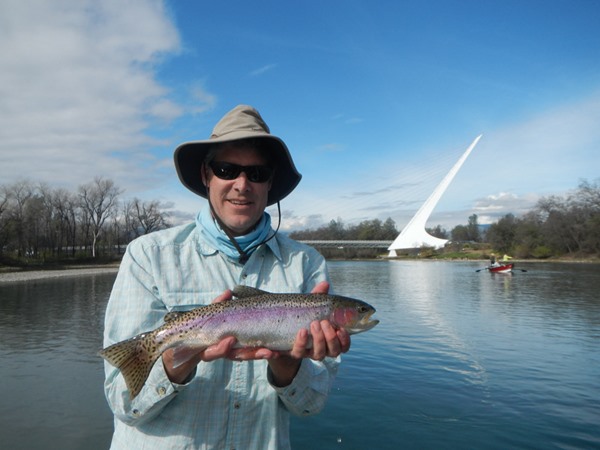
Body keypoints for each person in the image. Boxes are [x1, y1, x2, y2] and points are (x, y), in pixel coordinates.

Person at [102, 105, 351, 449]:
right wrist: (177, 360)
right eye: (226, 169)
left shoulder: (307, 265)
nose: (242, 184)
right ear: (207, 175)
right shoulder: (148, 255)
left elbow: (310, 406)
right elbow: (123, 403)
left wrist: (288, 365)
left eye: (258, 172)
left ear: (271, 181)